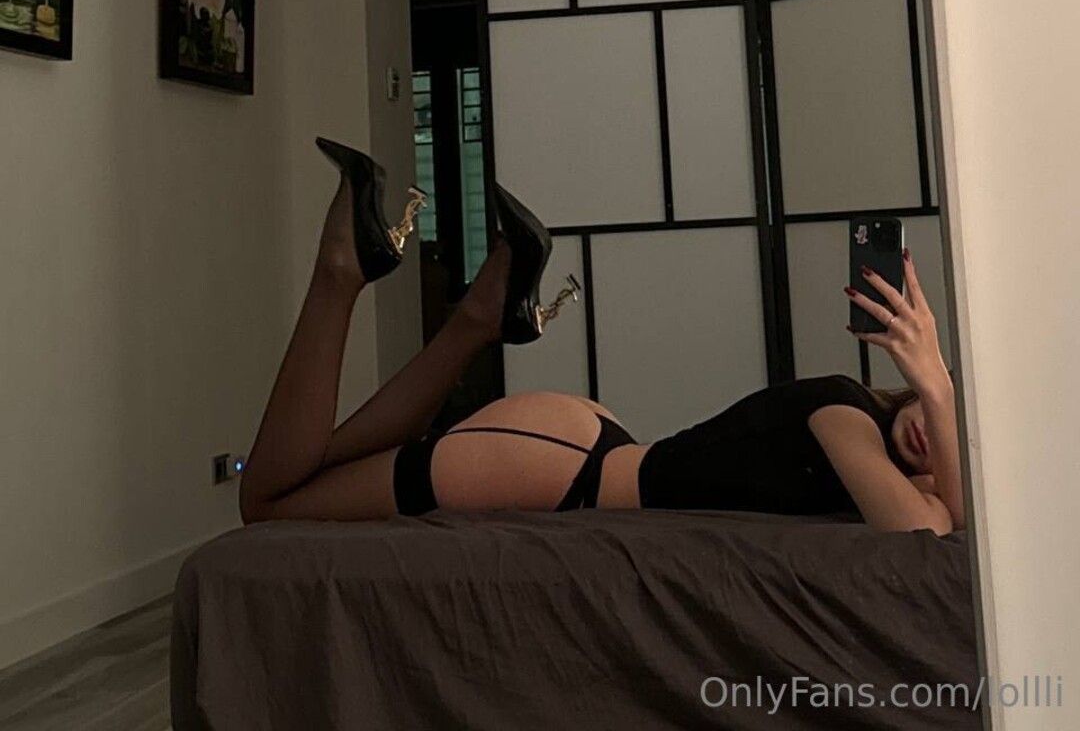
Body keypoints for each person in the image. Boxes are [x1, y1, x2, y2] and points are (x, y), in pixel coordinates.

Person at [239, 141, 965, 536]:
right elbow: (924, 537)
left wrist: (943, 421)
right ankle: (341, 272)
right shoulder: (845, 413)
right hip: (561, 467)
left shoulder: (896, 466)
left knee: (319, 475)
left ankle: (481, 317)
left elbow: (951, 520)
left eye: (960, 434)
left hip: (576, 450)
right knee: (269, 503)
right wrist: (934, 382)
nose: (936, 437)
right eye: (945, 409)